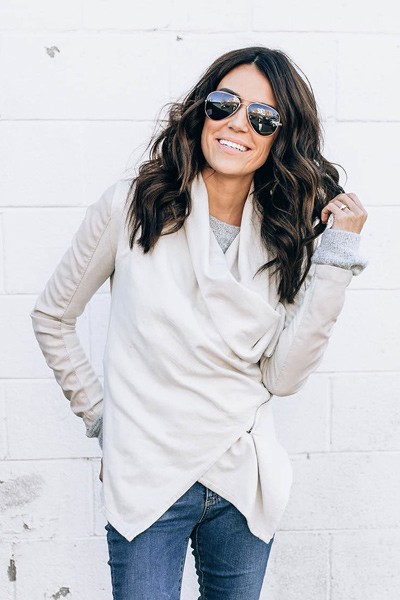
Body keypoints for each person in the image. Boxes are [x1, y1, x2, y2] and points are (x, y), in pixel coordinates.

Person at [30, 46, 368, 600]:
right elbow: (52, 316)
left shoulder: (286, 234)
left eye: (263, 117)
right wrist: (104, 423)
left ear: (281, 138)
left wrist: (336, 257)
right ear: (201, 111)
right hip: (147, 478)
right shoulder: (131, 208)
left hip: (242, 481)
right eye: (224, 104)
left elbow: (283, 378)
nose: (238, 124)